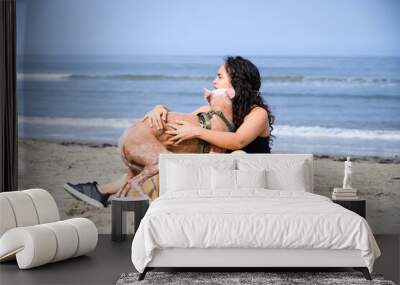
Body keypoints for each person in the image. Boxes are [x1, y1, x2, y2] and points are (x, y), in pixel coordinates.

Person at [64, 56, 275, 208]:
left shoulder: (257, 114)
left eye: (219, 76)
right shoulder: (216, 111)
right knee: (162, 156)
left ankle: (102, 192)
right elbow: (184, 121)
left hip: (247, 173)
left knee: (165, 162)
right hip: (218, 168)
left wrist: (196, 132)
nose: (213, 81)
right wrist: (160, 109)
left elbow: (237, 141)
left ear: (236, 83)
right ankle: (101, 191)